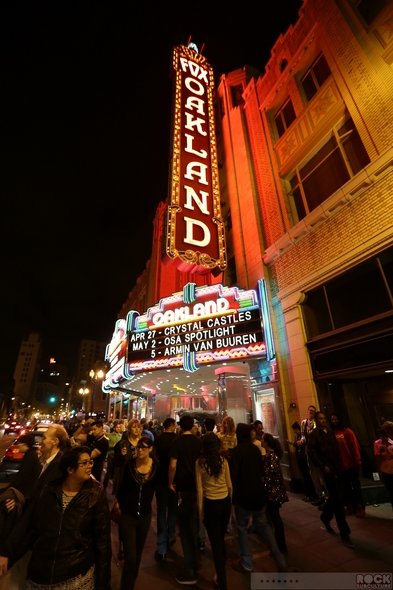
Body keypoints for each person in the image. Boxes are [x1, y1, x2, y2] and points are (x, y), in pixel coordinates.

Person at [0, 446, 111, 589]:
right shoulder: (49, 491)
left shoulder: (95, 494)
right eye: (84, 463)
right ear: (70, 470)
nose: (89, 466)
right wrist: (9, 555)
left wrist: (104, 585)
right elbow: (33, 530)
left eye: (90, 462)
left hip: (76, 577)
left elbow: (103, 543)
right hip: (41, 576)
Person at [230, 423, 287, 573]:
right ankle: (279, 558)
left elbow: (233, 476)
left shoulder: (237, 452)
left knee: (241, 527)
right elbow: (262, 472)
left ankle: (246, 561)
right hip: (257, 494)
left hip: (243, 495)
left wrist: (232, 496)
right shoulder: (256, 450)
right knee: (264, 526)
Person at [114, 436, 159, 590]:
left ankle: (131, 583)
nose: (140, 450)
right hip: (128, 514)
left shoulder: (156, 466)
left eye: (144, 447)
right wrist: (119, 501)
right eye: (139, 447)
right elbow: (122, 484)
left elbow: (157, 486)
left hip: (145, 515)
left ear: (150, 449)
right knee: (130, 557)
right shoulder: (130, 464)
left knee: (138, 555)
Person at [307, 412, 354, 548]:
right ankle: (345, 533)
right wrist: (323, 466)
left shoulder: (330, 433)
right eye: (320, 418)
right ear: (316, 420)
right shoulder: (314, 435)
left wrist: (341, 465)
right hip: (328, 470)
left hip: (337, 468)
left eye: (323, 418)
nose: (323, 420)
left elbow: (336, 450)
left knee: (336, 496)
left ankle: (326, 516)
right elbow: (311, 452)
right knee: (338, 501)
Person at [168, 414, 203, 585]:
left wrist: (170, 482)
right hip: (196, 488)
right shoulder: (199, 442)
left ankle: (190, 568)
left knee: (185, 529)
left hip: (182, 489)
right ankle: (196, 559)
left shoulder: (177, 442)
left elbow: (173, 465)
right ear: (194, 426)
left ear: (181, 426)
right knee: (194, 524)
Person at [196, 432, 232, 590]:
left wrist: (201, 511)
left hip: (210, 504)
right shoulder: (223, 460)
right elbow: (229, 485)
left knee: (216, 544)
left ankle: (222, 581)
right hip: (224, 503)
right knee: (221, 539)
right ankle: (220, 575)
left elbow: (199, 490)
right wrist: (229, 503)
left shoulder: (200, 463)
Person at [330, 414, 365, 518]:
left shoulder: (348, 431)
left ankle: (360, 506)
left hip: (351, 464)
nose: (333, 421)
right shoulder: (332, 433)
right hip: (340, 466)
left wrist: (357, 462)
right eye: (332, 419)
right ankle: (350, 505)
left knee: (356, 486)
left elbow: (355, 447)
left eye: (335, 419)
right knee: (345, 487)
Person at [154, 417, 178, 560]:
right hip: (174, 481)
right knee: (173, 509)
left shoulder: (158, 439)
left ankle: (161, 546)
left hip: (160, 478)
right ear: (173, 425)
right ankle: (171, 535)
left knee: (161, 511)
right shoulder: (177, 439)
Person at [261, 433, 288, 554]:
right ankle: (280, 545)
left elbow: (269, 475)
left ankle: (280, 547)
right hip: (275, 491)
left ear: (266, 442)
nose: (260, 441)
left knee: (275, 518)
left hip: (272, 492)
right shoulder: (272, 455)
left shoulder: (270, 456)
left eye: (262, 439)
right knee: (275, 518)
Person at [301, 405, 326, 507]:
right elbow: (303, 434)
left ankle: (326, 496)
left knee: (321, 473)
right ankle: (319, 495)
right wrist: (302, 441)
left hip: (317, 451)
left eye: (313, 411)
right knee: (313, 474)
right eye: (310, 410)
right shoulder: (304, 423)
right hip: (309, 450)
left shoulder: (317, 423)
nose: (311, 412)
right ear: (307, 411)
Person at [288, 421, 317, 501]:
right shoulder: (296, 436)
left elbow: (302, 444)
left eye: (294, 430)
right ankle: (309, 493)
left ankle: (312, 494)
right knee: (305, 476)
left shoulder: (302, 436)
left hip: (303, 458)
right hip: (299, 458)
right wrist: (293, 443)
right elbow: (296, 444)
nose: (294, 431)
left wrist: (297, 443)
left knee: (307, 476)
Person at [374, 421, 393, 509]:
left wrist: (388, 450)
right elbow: (376, 456)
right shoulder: (377, 443)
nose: (383, 437)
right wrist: (380, 452)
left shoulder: (392, 442)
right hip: (385, 469)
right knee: (390, 490)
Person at [103, 421, 122, 490]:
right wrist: (112, 446)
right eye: (117, 427)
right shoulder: (110, 435)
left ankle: (115, 489)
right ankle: (104, 486)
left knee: (116, 473)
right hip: (111, 455)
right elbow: (107, 445)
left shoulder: (121, 436)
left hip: (118, 456)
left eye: (119, 427)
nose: (118, 428)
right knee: (109, 471)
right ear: (114, 428)